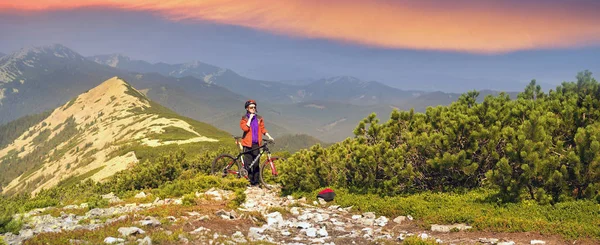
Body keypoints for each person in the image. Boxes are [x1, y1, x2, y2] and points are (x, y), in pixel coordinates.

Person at [239, 99, 274, 186]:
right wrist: (250, 119)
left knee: (256, 163)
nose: (253, 109)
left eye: (254, 107)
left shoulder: (259, 118)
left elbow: (262, 129)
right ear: (247, 108)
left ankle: (256, 182)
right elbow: (245, 129)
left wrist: (269, 136)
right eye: (251, 107)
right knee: (248, 164)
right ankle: (249, 182)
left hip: (256, 144)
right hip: (247, 144)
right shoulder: (244, 118)